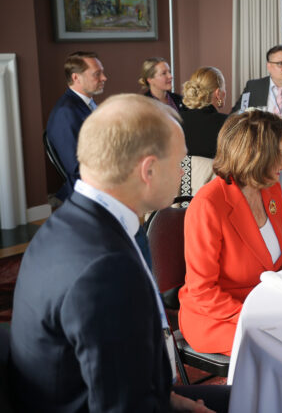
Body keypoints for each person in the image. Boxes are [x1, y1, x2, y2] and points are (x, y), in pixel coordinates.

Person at [10, 94, 228, 412]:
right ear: (148, 170)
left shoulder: (71, 222)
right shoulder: (106, 269)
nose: (185, 170)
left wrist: (173, 399)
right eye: (181, 160)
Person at [178, 111, 282, 355]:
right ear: (256, 156)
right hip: (219, 317)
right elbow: (202, 291)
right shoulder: (209, 204)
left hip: (266, 305)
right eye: (280, 152)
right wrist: (255, 314)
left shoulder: (270, 187)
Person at [46, 51, 107, 201]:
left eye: (102, 73)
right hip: (90, 191)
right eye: (97, 74)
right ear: (76, 77)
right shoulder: (65, 112)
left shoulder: (88, 104)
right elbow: (75, 167)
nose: (104, 78)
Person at [181, 66, 228, 158]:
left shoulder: (176, 121)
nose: (225, 92)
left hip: (185, 172)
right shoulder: (227, 123)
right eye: (224, 88)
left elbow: (182, 164)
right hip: (216, 172)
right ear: (218, 93)